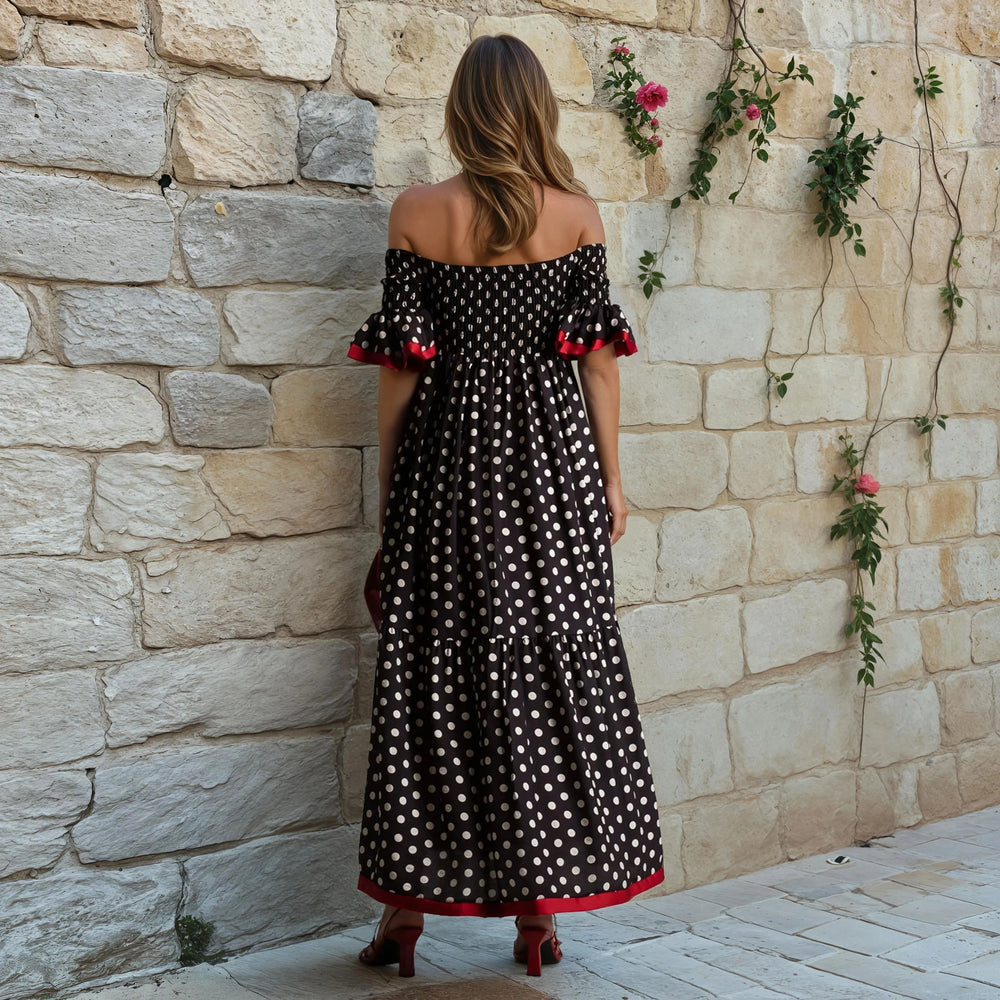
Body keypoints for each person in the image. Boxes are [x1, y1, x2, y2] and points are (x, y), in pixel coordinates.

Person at [347, 33, 665, 980]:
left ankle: (405, 914)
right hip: (551, 475)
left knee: (435, 673)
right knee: (548, 668)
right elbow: (598, 369)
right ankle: (537, 913)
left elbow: (402, 372)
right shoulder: (576, 215)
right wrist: (610, 479)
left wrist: (392, 486)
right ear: (536, 111)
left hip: (446, 475)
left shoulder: (416, 212)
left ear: (461, 111)